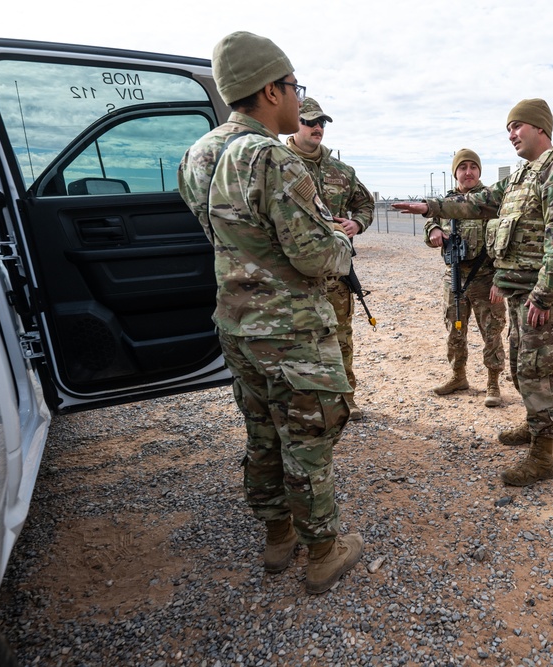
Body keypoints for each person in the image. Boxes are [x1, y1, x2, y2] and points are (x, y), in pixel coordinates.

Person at [177, 31, 363, 595]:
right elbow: (312, 255)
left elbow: (225, 236)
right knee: (307, 435)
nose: (295, 98)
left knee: (262, 432)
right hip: (290, 331)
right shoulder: (271, 156)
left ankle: (278, 536)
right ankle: (323, 552)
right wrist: (343, 245)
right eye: (292, 87)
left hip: (236, 324)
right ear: (268, 90)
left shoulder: (198, 154)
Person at [393, 99, 553, 487]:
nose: (512, 134)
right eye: (508, 129)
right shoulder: (520, 177)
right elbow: (478, 202)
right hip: (518, 293)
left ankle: (542, 455)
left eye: (518, 126)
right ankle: (533, 429)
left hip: (536, 297)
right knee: (522, 365)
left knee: (540, 371)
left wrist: (545, 297)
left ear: (540, 128)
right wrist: (431, 206)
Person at [287, 97, 375, 421]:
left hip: (335, 274)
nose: (317, 128)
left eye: (321, 122)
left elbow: (365, 204)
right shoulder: (279, 165)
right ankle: (304, 404)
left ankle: (345, 399)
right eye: (310, 122)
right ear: (294, 124)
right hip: (293, 275)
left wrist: (357, 223)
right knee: (298, 342)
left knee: (341, 338)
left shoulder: (341, 171)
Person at [424, 148, 506, 407]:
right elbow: (429, 224)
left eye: (473, 167)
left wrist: (500, 279)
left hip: (485, 279)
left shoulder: (491, 202)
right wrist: (434, 228)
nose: (468, 172)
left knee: (491, 333)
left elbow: (508, 241)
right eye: (463, 167)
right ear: (455, 172)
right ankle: (458, 376)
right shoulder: (446, 202)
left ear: (479, 171)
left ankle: (493, 382)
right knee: (454, 331)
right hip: (455, 278)